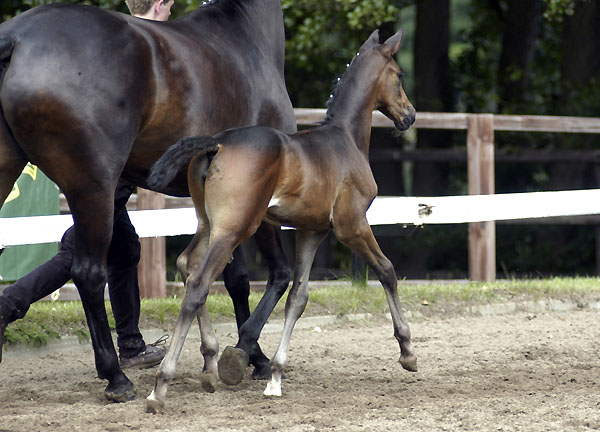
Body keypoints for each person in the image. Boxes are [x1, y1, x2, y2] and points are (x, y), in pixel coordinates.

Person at [0, 0, 176, 367]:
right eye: (171, 6)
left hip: (111, 179)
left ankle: (130, 344)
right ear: (159, 5)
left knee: (124, 249)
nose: (172, 14)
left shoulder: (115, 41)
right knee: (78, 253)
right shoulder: (147, 51)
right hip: (110, 177)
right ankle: (8, 305)